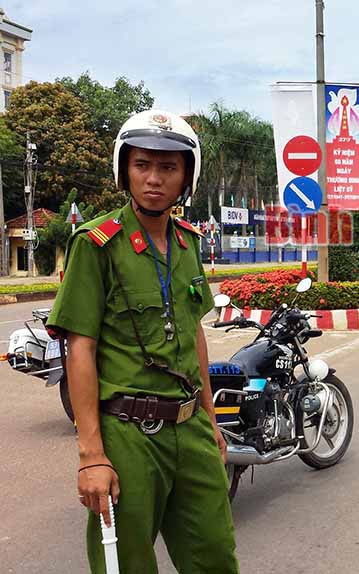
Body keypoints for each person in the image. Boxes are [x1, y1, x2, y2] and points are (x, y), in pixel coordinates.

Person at [47, 110, 240, 573]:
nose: (154, 179)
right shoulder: (96, 245)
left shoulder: (188, 242)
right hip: (128, 434)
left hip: (190, 427)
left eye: (168, 168)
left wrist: (211, 420)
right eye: (142, 165)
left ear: (185, 178)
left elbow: (193, 332)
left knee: (215, 556)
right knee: (128, 565)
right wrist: (91, 455)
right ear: (124, 169)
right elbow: (80, 348)